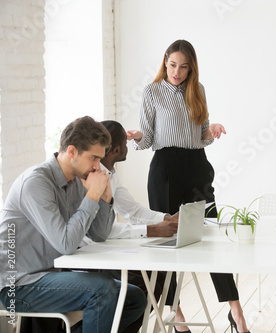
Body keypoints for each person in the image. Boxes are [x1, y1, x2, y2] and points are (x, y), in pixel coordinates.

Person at [126, 40, 249, 333]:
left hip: (197, 165)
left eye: (183, 66)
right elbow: (148, 138)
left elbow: (201, 134)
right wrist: (135, 135)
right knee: (167, 238)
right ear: (164, 62)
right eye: (172, 65)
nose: (177, 72)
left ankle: (236, 312)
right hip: (165, 167)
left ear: (190, 67)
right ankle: (176, 313)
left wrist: (213, 129)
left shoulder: (198, 90)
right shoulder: (152, 91)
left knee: (211, 234)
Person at [0, 116, 147, 333]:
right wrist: (93, 194)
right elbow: (66, 244)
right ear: (72, 152)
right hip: (18, 286)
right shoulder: (36, 183)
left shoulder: (78, 179)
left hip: (51, 275)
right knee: (102, 290)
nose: (98, 166)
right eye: (94, 158)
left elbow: (100, 235)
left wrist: (105, 198)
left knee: (133, 297)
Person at [98, 119, 199, 333]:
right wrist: (152, 230)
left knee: (157, 276)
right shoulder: (92, 176)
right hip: (92, 256)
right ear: (116, 149)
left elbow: (133, 211)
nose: (129, 146)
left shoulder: (111, 174)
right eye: (125, 143)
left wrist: (167, 219)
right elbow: (100, 232)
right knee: (147, 279)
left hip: (106, 251)